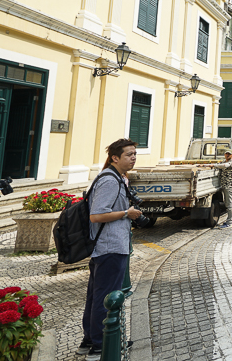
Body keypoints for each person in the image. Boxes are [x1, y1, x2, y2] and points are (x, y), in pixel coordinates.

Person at [79, 139, 142, 360]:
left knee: (97, 296)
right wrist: (127, 213)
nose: (133, 158)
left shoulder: (116, 178)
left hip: (108, 246)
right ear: (115, 157)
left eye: (135, 154)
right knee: (107, 297)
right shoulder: (110, 181)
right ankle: (100, 345)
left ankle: (90, 340)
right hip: (109, 246)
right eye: (129, 154)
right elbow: (96, 215)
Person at [201, 150, 232, 229]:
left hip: (229, 186)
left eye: (229, 154)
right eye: (226, 154)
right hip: (224, 185)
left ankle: (230, 222)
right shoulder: (223, 161)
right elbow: (219, 164)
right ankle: (229, 220)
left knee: (229, 204)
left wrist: (212, 165)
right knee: (227, 203)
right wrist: (206, 165)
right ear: (224, 154)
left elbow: (224, 165)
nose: (227, 155)